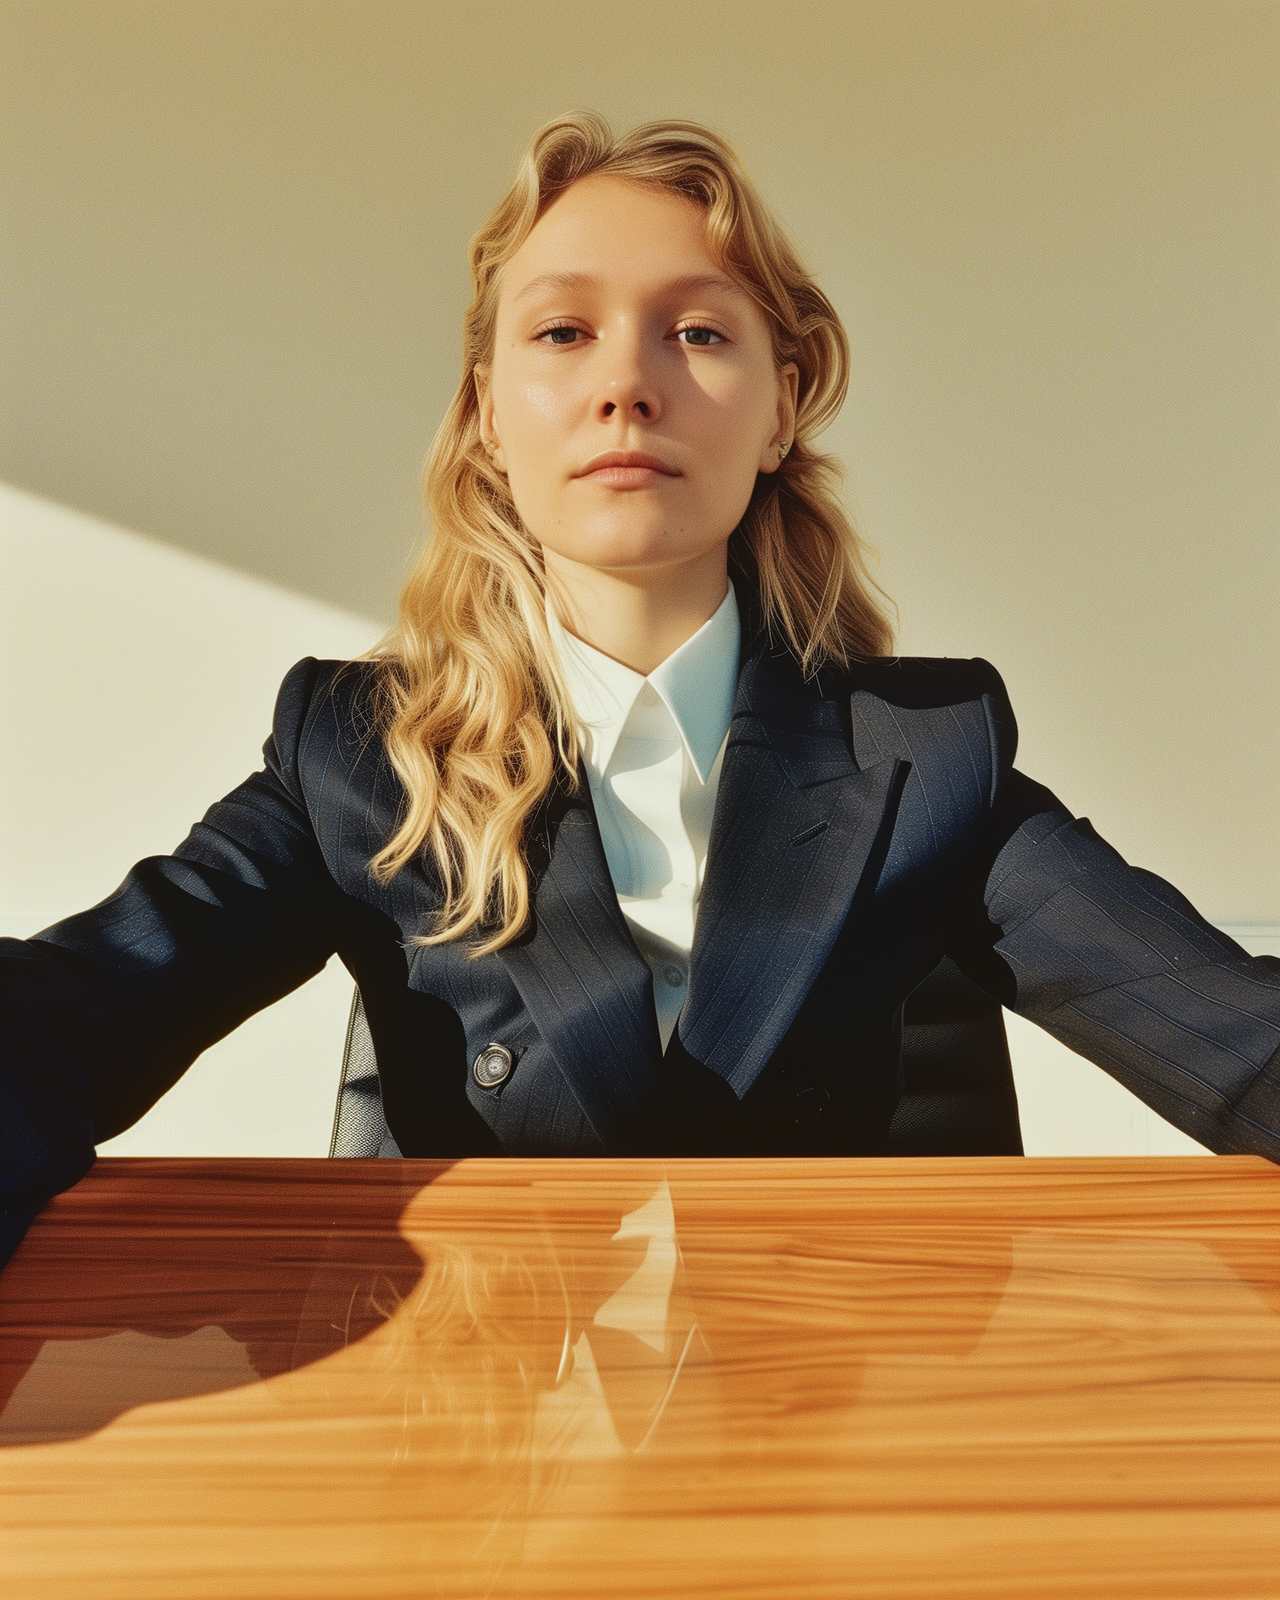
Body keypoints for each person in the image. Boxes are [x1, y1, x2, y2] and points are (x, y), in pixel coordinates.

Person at [3, 113, 1278, 1270]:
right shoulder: (359, 752)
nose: (628, 382)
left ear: (780, 409)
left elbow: (1234, 1043)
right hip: (480, 1447)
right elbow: (72, 1019)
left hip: (824, 1435)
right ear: (489, 417)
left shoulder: (923, 752)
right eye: (562, 332)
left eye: (698, 331)